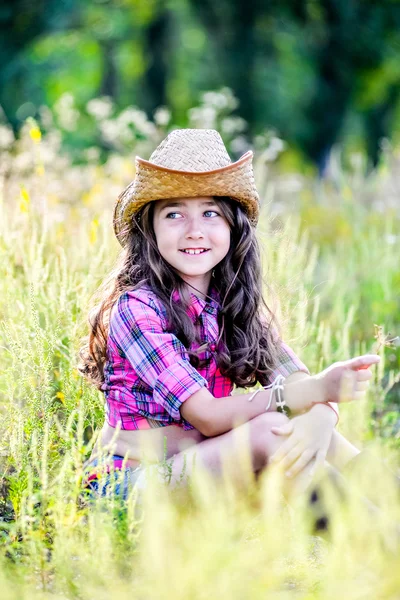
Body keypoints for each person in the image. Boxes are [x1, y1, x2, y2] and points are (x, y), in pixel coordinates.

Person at [78, 128, 380, 503]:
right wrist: (314, 393)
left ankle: (382, 514)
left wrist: (320, 419)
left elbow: (300, 378)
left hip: (201, 469)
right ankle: (375, 535)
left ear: (233, 227)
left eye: (210, 213)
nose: (194, 231)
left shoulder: (230, 303)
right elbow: (207, 415)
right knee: (272, 427)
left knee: (299, 430)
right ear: (150, 229)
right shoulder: (137, 310)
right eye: (174, 214)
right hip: (127, 488)